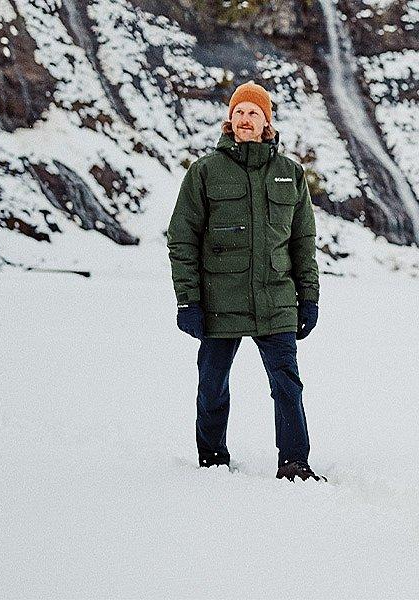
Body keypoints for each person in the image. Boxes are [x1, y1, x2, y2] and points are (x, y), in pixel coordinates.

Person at [167, 81, 324, 482]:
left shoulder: (290, 174)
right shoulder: (204, 171)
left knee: (287, 384)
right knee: (212, 385)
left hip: (276, 299)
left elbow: (304, 241)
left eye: (254, 112)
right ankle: (213, 459)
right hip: (219, 300)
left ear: (267, 121)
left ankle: (294, 462)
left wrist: (309, 298)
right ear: (229, 119)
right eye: (239, 112)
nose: (245, 119)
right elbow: (182, 237)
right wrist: (189, 301)